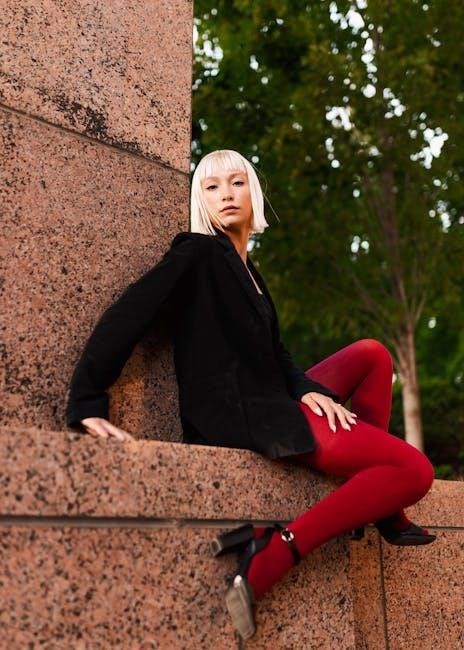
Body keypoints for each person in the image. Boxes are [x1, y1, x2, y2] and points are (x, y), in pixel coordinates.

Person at [66, 149, 436, 641]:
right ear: (200, 199)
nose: (225, 194)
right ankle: (275, 549)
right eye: (211, 186)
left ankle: (381, 506)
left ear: (253, 191)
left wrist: (306, 389)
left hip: (273, 397)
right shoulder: (197, 252)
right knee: (414, 470)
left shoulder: (249, 271)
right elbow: (130, 312)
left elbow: (277, 356)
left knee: (372, 354)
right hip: (240, 411)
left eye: (236, 182)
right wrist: (88, 398)